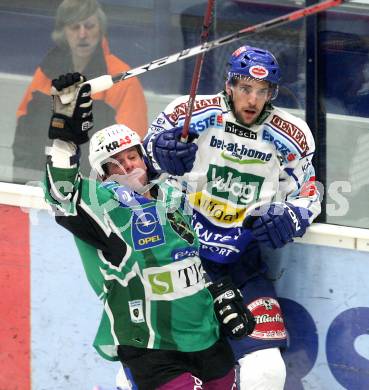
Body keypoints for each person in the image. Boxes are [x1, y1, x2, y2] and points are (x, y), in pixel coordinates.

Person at [43, 72, 255, 389]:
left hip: (204, 337)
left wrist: (217, 294)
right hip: (150, 346)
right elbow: (61, 195)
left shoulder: (173, 196)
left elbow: (187, 263)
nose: (130, 167)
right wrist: (65, 140)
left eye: (132, 156)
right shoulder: (103, 207)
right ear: (102, 176)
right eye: (117, 164)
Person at [143, 45, 322, 389]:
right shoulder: (188, 112)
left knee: (267, 371)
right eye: (244, 88)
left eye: (262, 91)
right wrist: (160, 154)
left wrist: (291, 218)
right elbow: (139, 166)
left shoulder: (292, 135)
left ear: (272, 92)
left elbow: (309, 194)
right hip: (178, 262)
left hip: (242, 267)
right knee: (157, 365)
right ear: (229, 85)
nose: (252, 100)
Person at [13, 0, 147, 183]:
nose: (82, 34)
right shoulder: (45, 72)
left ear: (100, 30)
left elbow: (133, 153)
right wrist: (24, 182)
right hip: (41, 185)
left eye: (89, 26)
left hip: (100, 194)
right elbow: (24, 137)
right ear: (63, 32)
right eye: (75, 27)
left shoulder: (123, 80)